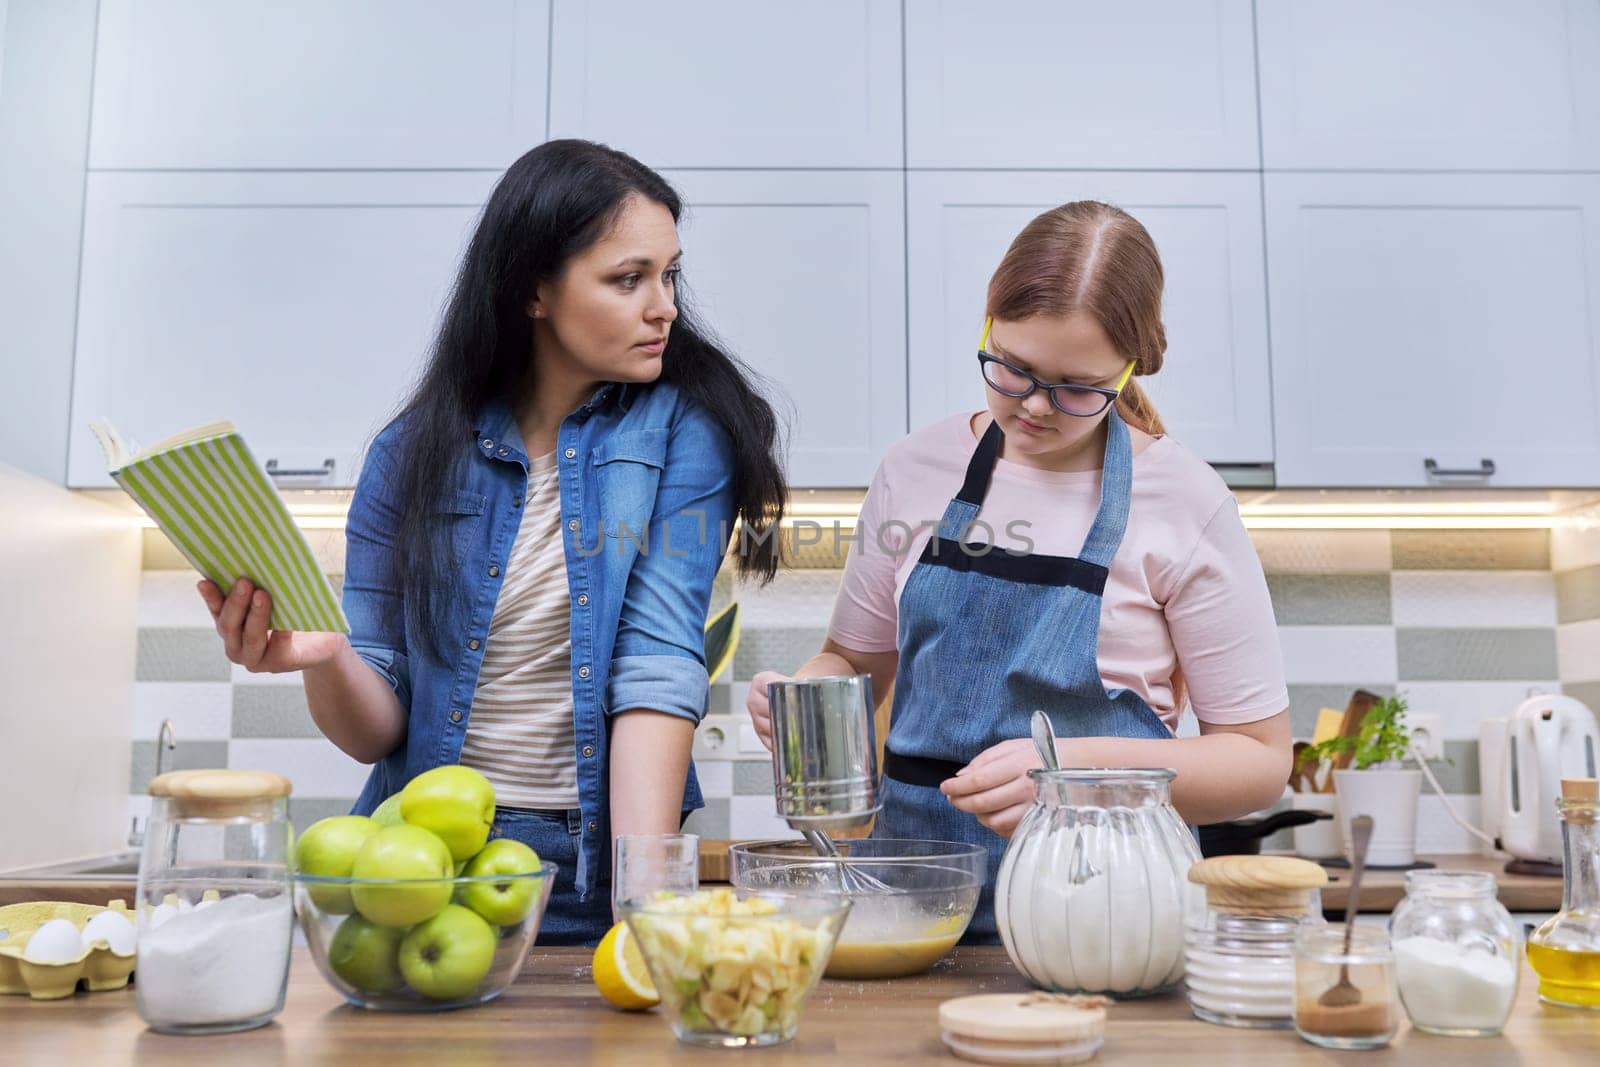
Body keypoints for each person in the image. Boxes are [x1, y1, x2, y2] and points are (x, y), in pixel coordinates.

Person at [199, 139, 787, 945]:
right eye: (628, 278)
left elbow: (656, 664)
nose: (665, 307)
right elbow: (376, 729)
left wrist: (644, 907)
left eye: (669, 274)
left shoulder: (684, 432)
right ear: (534, 291)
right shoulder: (409, 453)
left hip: (588, 867)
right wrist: (326, 655)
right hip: (419, 865)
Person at [748, 201, 1290, 942]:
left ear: (1132, 367)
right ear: (986, 326)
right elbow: (853, 661)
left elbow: (1259, 761)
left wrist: (1071, 772)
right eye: (1011, 368)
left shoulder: (1187, 502)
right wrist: (807, 702)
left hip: (1110, 918)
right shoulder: (913, 470)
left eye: (1075, 388)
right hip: (912, 905)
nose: (1033, 406)